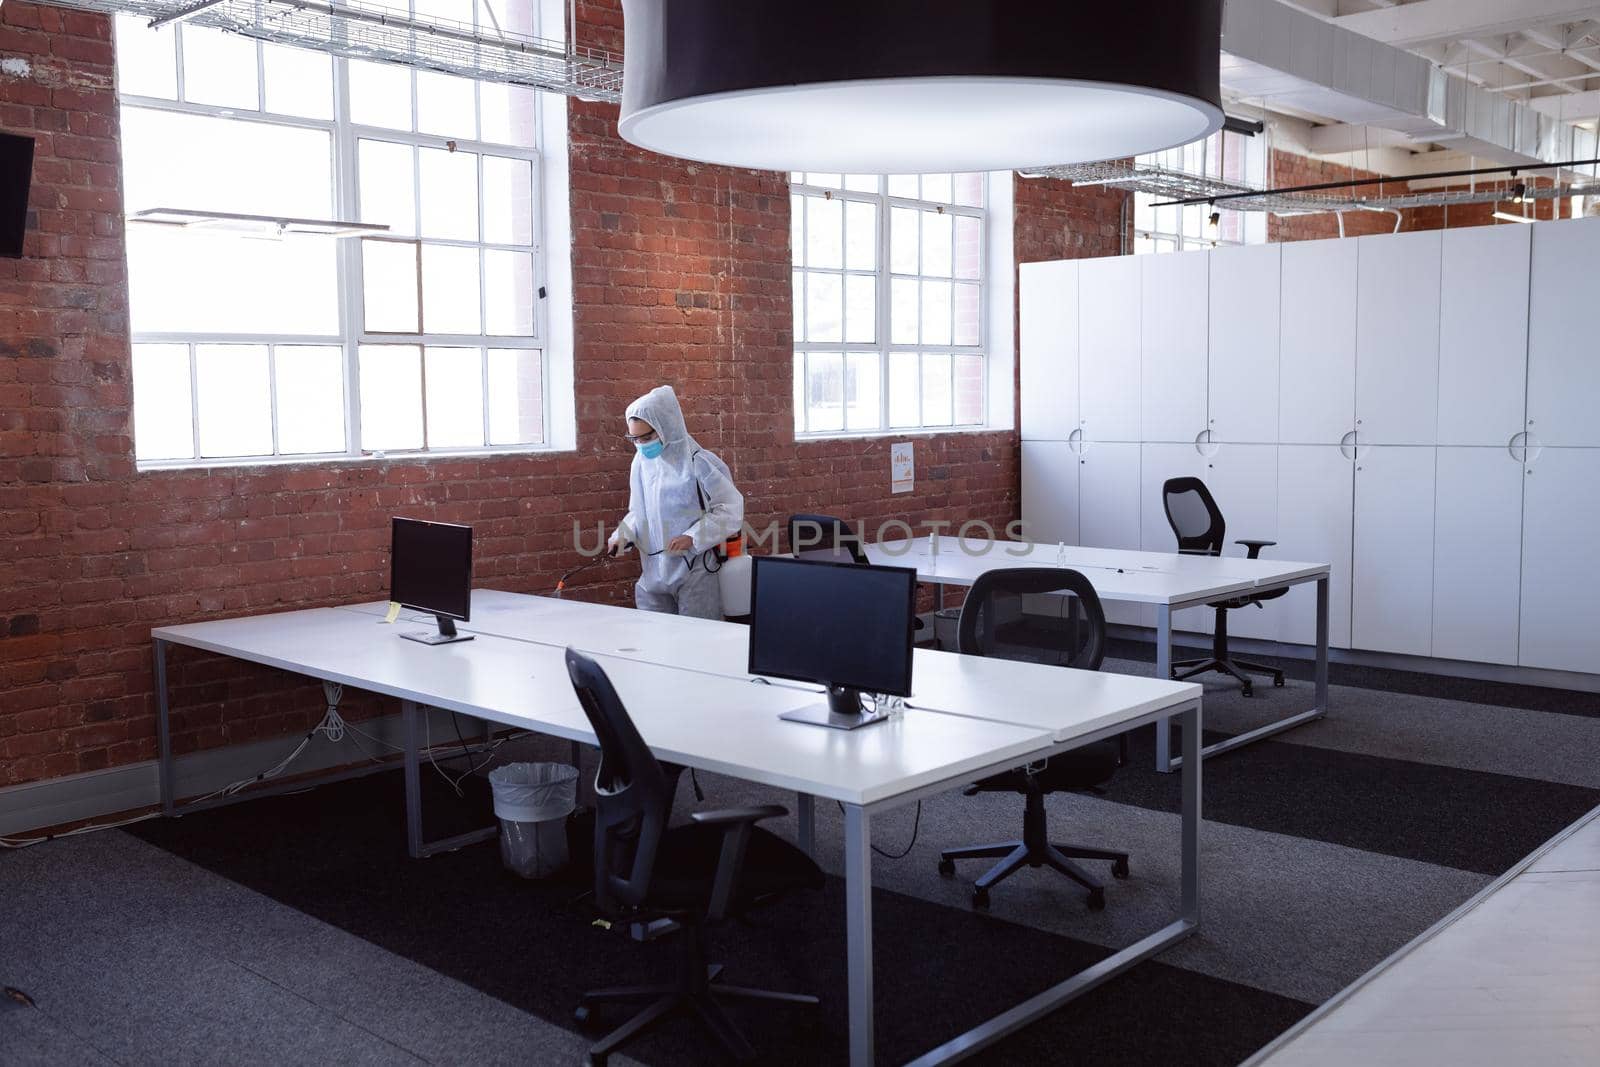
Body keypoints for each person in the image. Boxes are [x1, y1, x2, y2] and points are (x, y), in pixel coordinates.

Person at [607, 385, 743, 619]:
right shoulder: (640, 463)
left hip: (694, 571)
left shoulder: (699, 463)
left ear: (666, 427)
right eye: (635, 439)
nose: (642, 445)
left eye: (647, 437)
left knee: (697, 642)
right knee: (655, 642)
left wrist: (693, 536)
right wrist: (622, 536)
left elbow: (730, 510)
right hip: (653, 573)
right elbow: (639, 511)